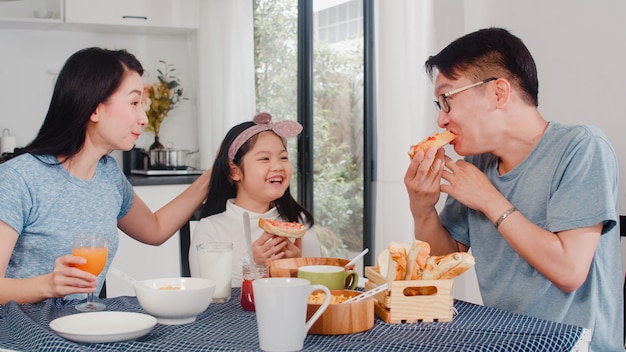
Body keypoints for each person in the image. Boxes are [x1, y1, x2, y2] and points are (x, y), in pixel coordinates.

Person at [404, 27, 623, 351]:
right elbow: (440, 267)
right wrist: (422, 208)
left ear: (499, 93)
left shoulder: (581, 147)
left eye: (447, 100)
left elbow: (569, 270)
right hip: (504, 342)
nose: (441, 120)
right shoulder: (479, 163)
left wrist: (488, 198)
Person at [0, 47, 211, 305]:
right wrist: (47, 285)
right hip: (22, 332)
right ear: (95, 109)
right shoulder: (19, 178)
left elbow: (154, 230)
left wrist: (211, 177)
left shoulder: (108, 174)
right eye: (134, 103)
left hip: (83, 325)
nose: (143, 118)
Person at [189, 112, 321, 287]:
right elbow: (206, 296)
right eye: (264, 158)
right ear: (234, 171)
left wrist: (297, 267)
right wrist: (251, 263)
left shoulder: (298, 224)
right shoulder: (210, 229)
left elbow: (319, 292)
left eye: (283, 157)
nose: (278, 166)